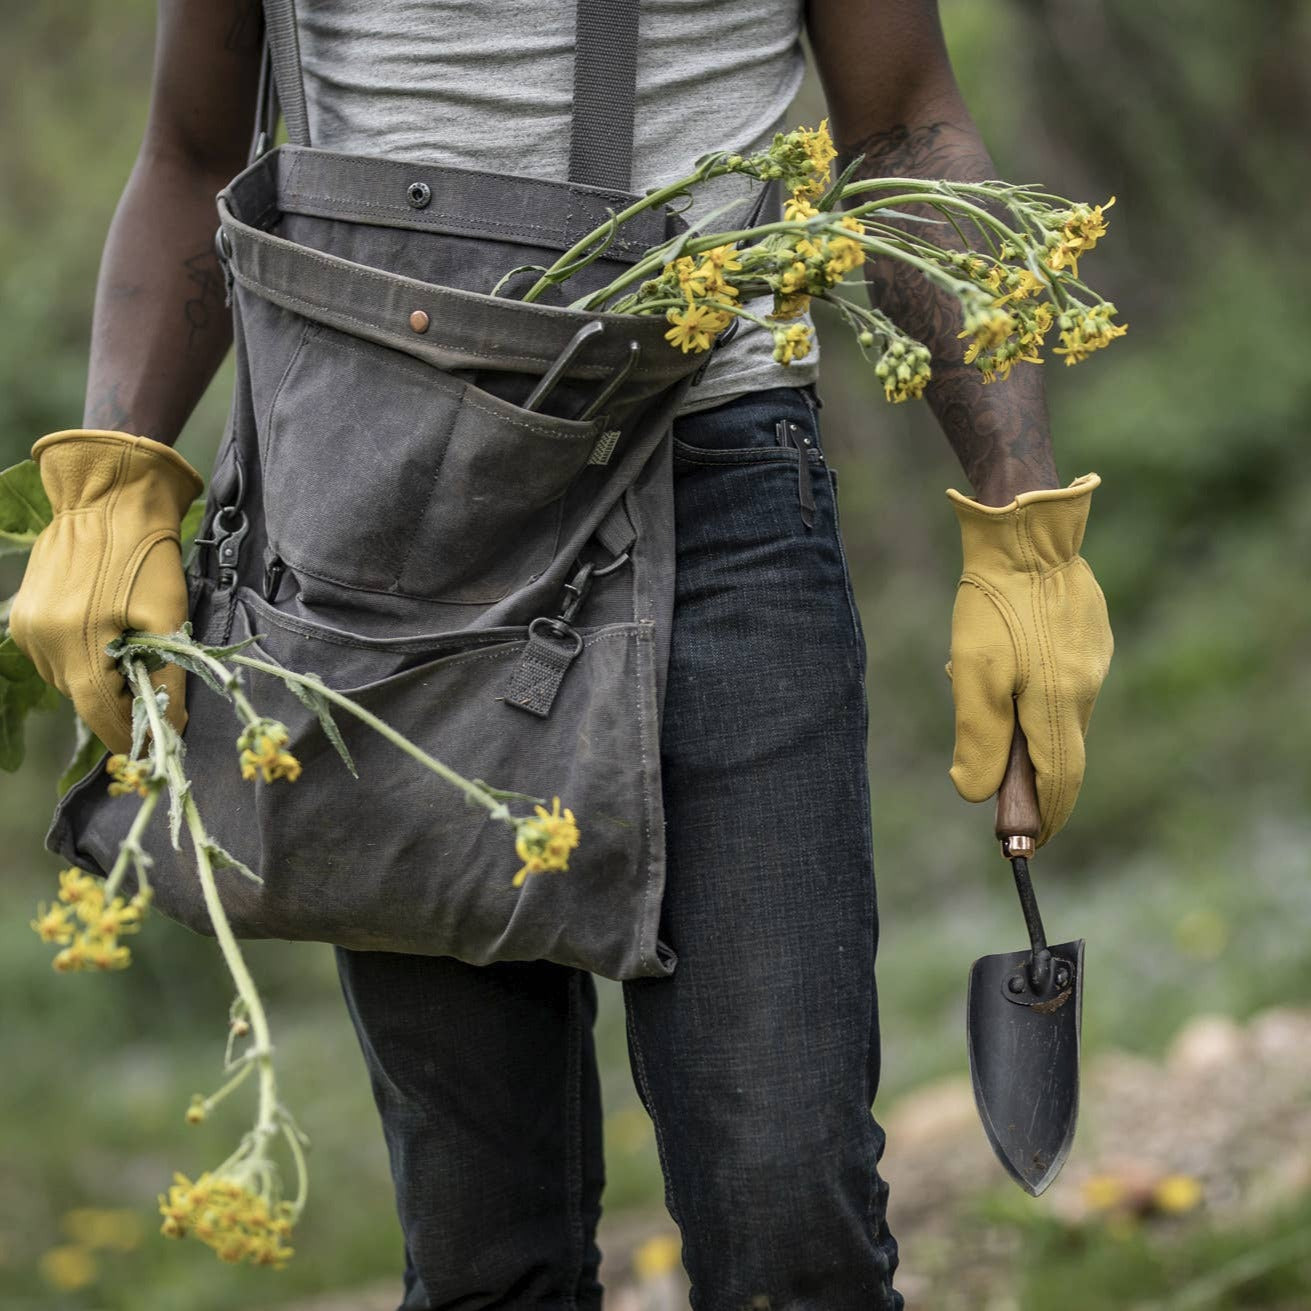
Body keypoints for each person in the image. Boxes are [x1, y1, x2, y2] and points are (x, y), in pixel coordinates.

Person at [14, 2, 1112, 1307]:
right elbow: (193, 151)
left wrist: (1022, 522)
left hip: (720, 488)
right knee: (487, 1248)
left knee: (788, 1210)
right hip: (381, 519)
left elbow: (903, 121)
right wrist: (113, 479)